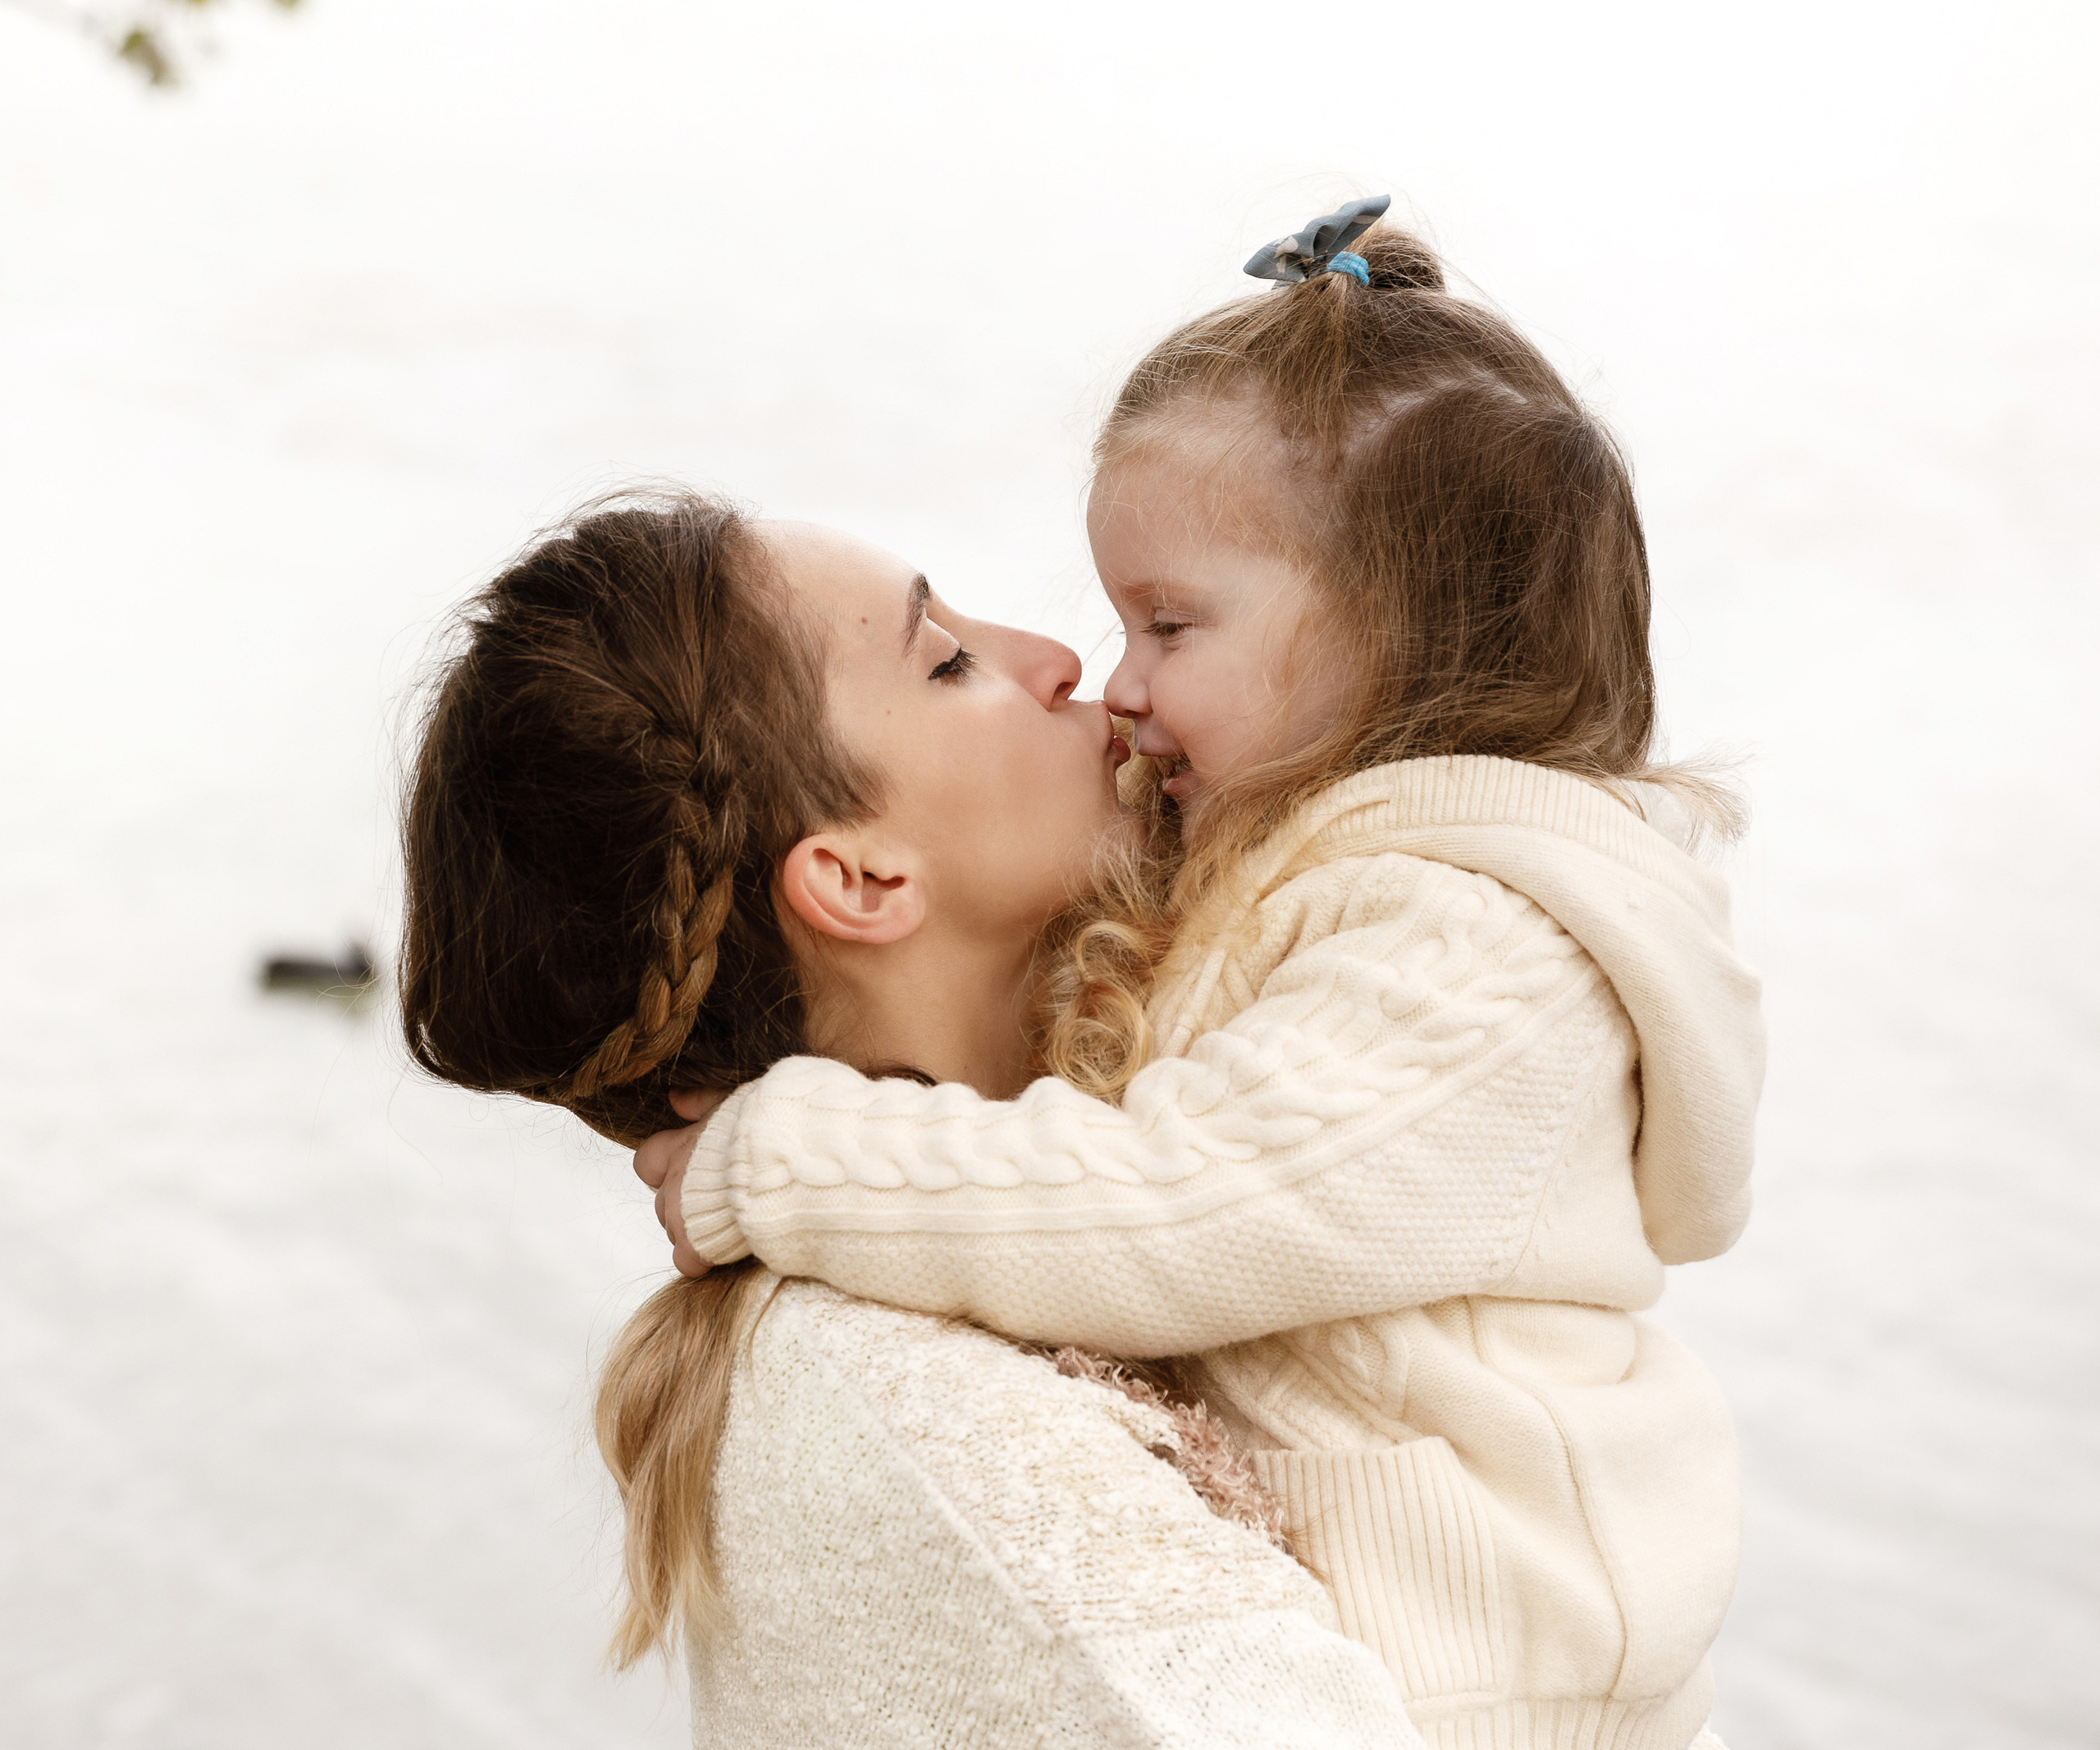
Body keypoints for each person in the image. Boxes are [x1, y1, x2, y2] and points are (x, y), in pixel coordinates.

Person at [637, 205, 1764, 1750]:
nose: (1116, 685)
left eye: (1167, 625)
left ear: (1392, 643)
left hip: (1488, 1665)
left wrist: (791, 1156)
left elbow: (1170, 1199)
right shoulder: (1329, 894)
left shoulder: (1472, 953)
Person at [398, 493, 1428, 1748]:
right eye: (948, 661)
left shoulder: (1130, 1223)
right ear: (861, 878)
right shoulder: (948, 1445)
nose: (1066, 666)